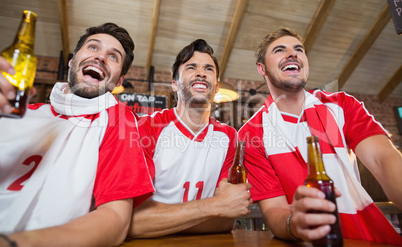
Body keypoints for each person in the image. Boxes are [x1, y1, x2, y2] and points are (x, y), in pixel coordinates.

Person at [238, 27, 402, 245]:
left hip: (370, 238)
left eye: (299, 49)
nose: (292, 53)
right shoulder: (251, 134)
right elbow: (275, 210)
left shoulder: (342, 105)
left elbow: (383, 160)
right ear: (262, 69)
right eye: (279, 50)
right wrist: (295, 224)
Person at [0, 23, 154, 247]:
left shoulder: (118, 121)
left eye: (113, 56)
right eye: (93, 47)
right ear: (73, 60)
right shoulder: (19, 114)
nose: (100, 57)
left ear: (119, 81)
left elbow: (116, 218)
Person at [128, 39, 252, 238]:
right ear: (175, 84)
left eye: (208, 69)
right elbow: (132, 221)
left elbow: (226, 218)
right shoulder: (146, 128)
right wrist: (213, 207)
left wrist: (161, 220)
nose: (201, 73)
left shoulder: (229, 137)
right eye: (191, 67)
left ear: (217, 87)